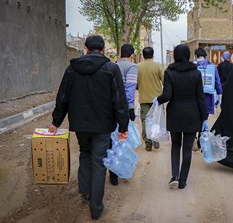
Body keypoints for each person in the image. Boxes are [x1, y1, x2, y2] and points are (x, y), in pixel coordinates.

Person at [48, 35, 129, 220]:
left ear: (86, 48)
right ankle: (96, 208)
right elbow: (119, 101)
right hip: (103, 125)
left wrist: (55, 122)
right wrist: (123, 126)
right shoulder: (111, 69)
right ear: (103, 49)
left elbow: (63, 98)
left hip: (80, 125)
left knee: (85, 154)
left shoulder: (72, 69)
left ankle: (85, 192)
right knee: (98, 161)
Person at [154, 44, 208, 189]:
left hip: (175, 114)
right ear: (188, 55)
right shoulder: (196, 73)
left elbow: (167, 95)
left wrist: (157, 100)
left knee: (175, 145)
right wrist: (204, 117)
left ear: (176, 56)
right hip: (193, 114)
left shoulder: (170, 72)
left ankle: (174, 176)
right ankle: (183, 181)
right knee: (188, 148)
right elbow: (200, 98)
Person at [108, 43, 138, 186]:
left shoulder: (112, 65)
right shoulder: (131, 67)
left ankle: (113, 173)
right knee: (124, 139)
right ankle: (121, 170)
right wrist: (130, 109)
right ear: (132, 56)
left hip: (109, 109)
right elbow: (129, 90)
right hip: (123, 108)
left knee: (113, 140)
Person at [194, 48, 222, 150]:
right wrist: (219, 95)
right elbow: (217, 82)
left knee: (195, 117)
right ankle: (200, 141)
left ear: (196, 55)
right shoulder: (212, 66)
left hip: (195, 97)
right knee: (204, 118)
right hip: (208, 97)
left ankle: (193, 137)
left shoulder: (193, 66)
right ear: (205, 56)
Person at [137, 46, 164, 151]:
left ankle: (148, 144)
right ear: (152, 54)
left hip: (144, 98)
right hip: (157, 99)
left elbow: (135, 84)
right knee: (156, 120)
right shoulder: (158, 66)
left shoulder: (138, 66)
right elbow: (164, 81)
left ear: (143, 55)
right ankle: (156, 140)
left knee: (144, 120)